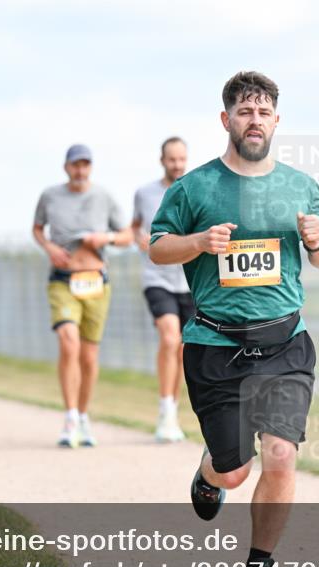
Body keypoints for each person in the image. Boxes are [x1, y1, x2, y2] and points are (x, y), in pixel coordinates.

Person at [149, 71, 319, 567]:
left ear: (276, 121)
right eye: (244, 112)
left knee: (281, 454)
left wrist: (317, 240)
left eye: (263, 113)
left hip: (285, 344)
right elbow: (157, 247)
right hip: (216, 347)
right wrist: (197, 242)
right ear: (226, 119)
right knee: (235, 473)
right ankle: (210, 472)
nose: (254, 121)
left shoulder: (301, 187)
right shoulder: (194, 188)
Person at [33, 144, 132, 448]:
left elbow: (127, 235)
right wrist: (49, 247)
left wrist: (106, 238)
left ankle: (84, 415)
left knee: (89, 356)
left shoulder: (103, 197)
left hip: (96, 283)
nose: (80, 170)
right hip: (63, 281)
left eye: (85, 164)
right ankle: (70, 416)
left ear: (91, 167)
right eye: (75, 164)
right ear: (66, 167)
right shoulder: (50, 195)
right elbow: (37, 229)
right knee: (68, 341)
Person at [132, 137, 191, 442]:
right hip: (157, 278)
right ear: (162, 160)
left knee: (183, 348)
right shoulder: (145, 193)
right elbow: (135, 226)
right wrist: (138, 238)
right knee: (169, 337)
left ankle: (173, 411)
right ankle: (165, 408)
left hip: (189, 282)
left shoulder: (195, 189)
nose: (177, 165)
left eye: (181, 159)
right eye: (172, 159)